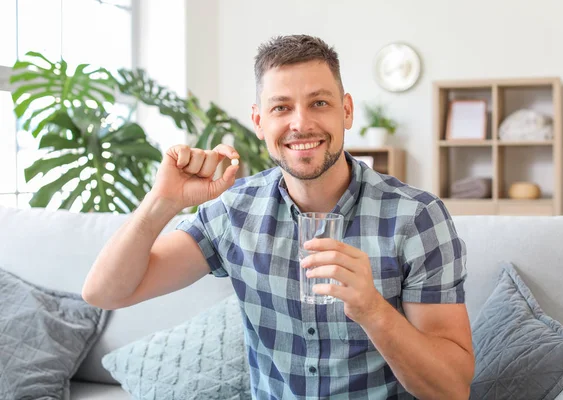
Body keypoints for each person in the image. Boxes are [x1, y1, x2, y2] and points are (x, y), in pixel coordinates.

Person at [83, 34, 474, 399]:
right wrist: (162, 202)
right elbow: (104, 293)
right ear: (259, 122)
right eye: (281, 107)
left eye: (319, 102)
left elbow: (453, 388)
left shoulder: (417, 218)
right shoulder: (234, 212)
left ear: (347, 110)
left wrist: (373, 310)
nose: (300, 123)